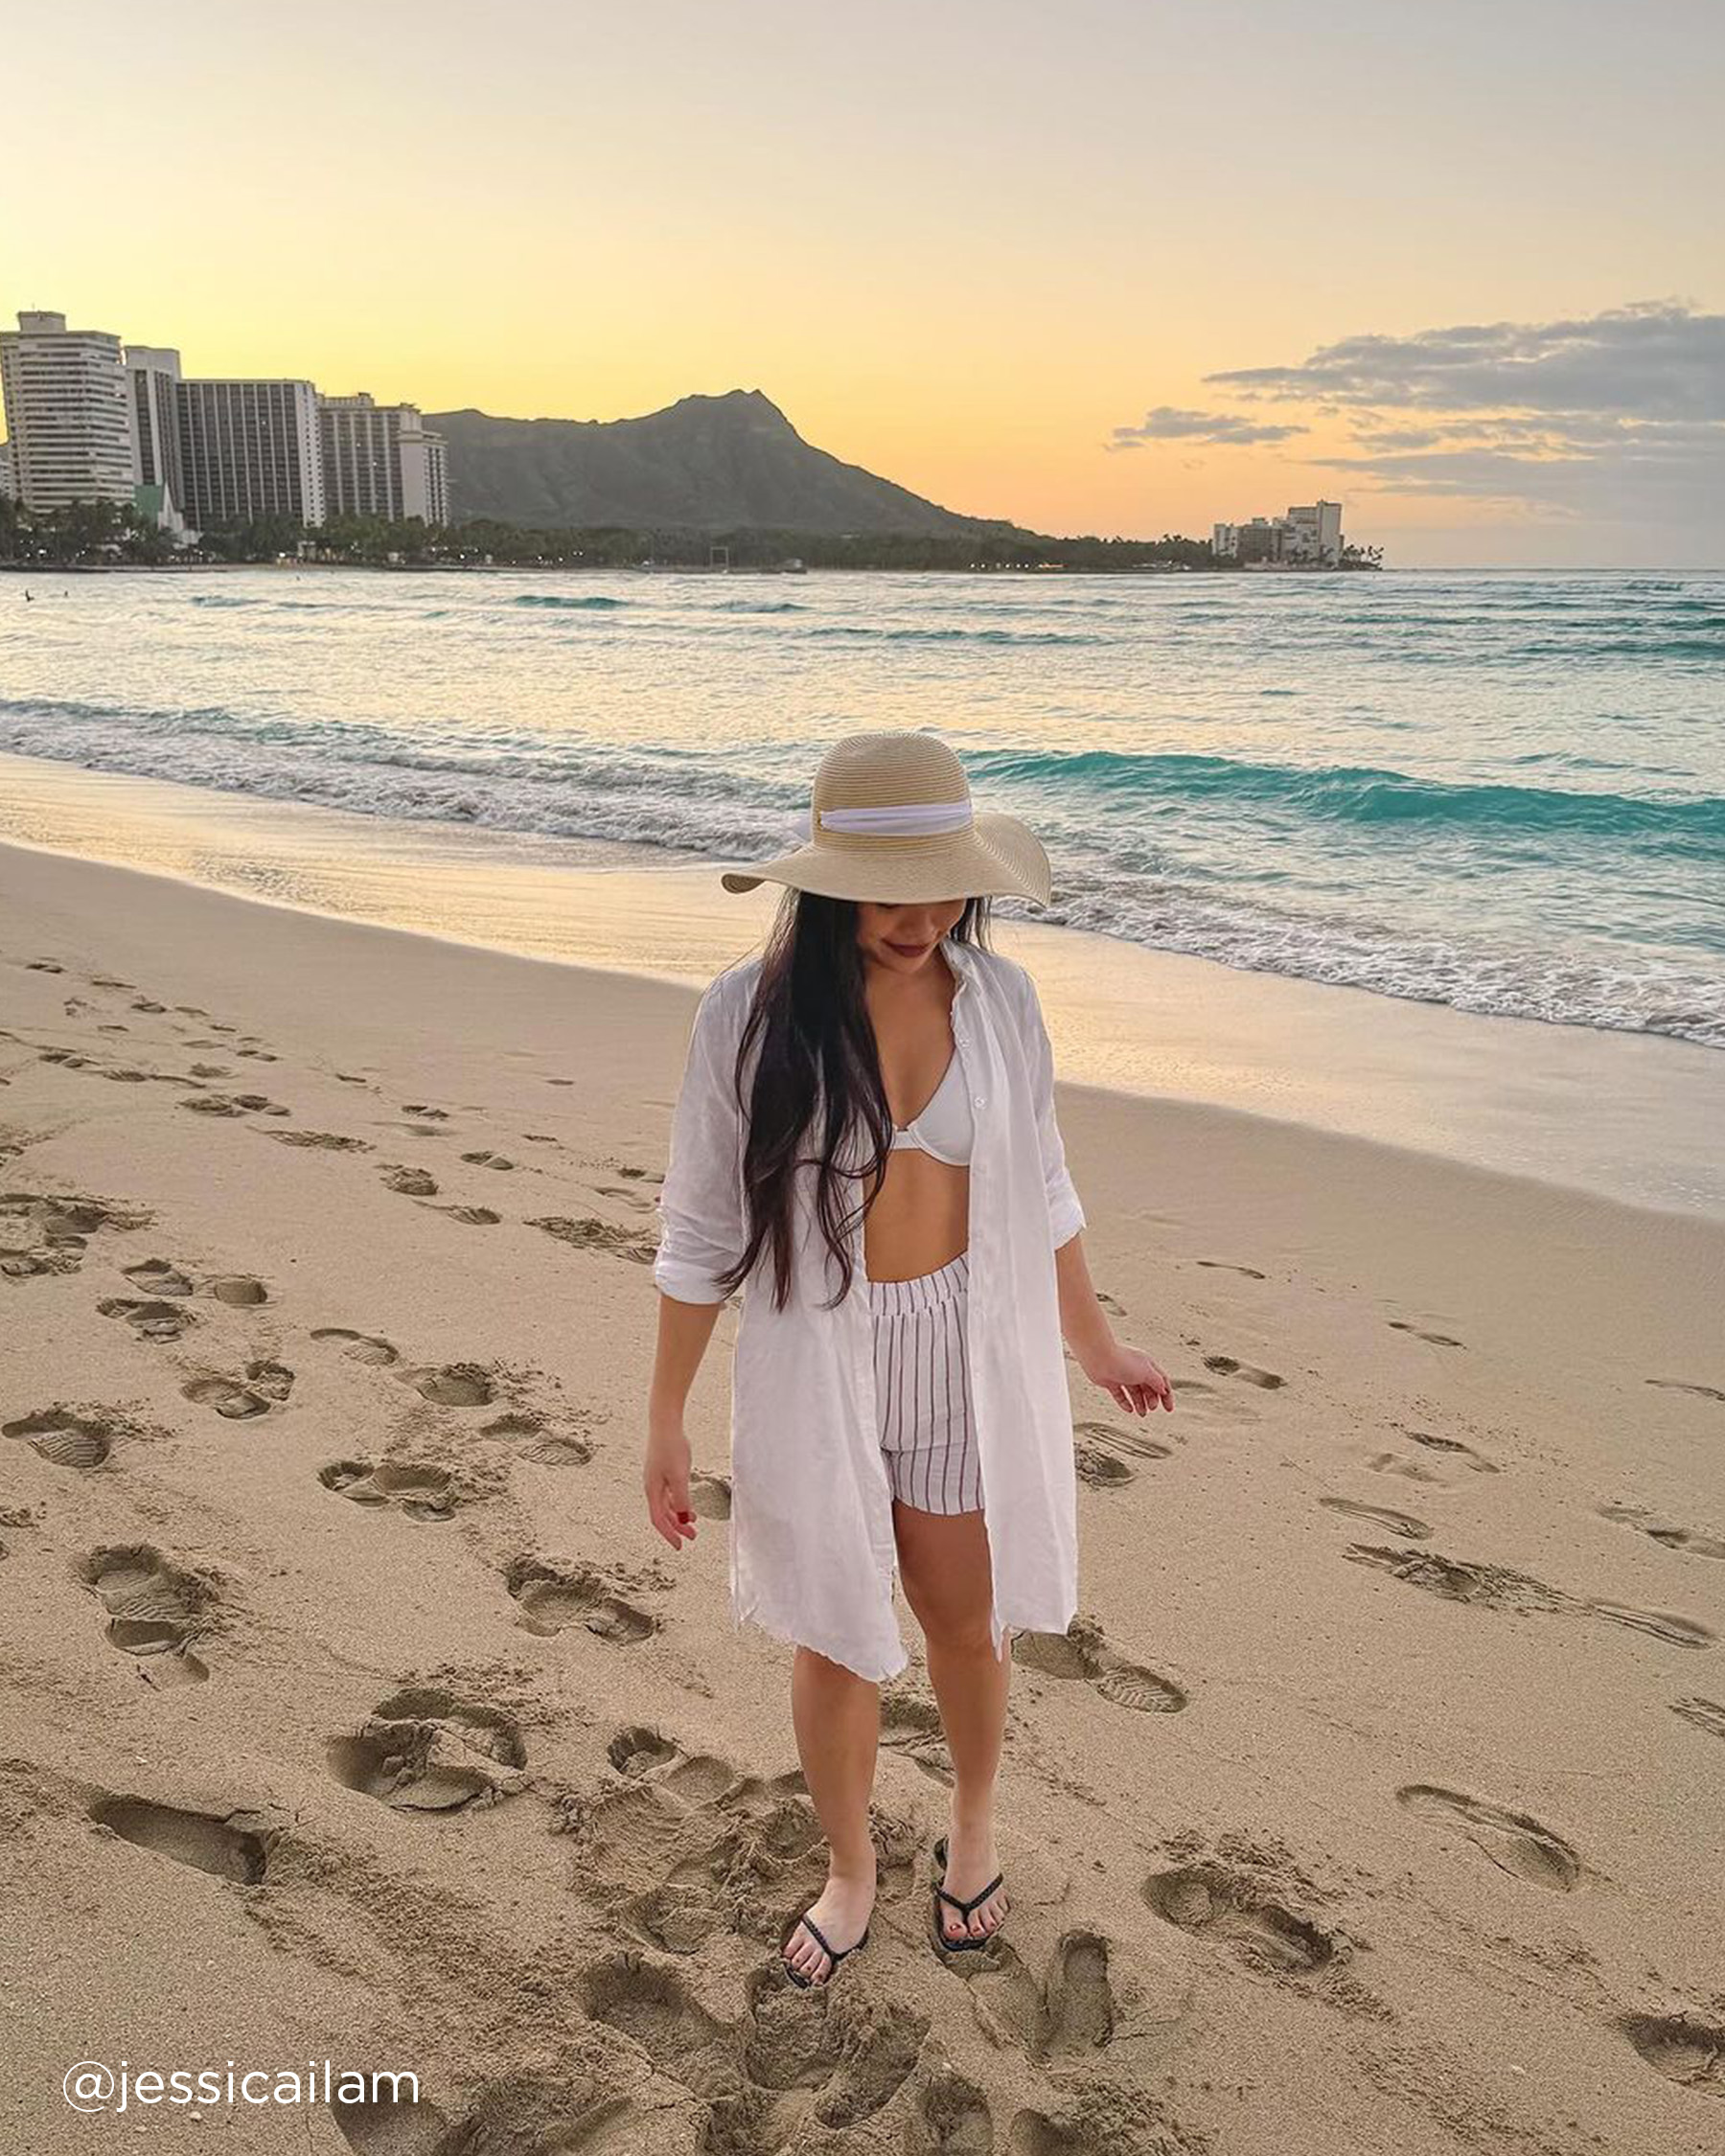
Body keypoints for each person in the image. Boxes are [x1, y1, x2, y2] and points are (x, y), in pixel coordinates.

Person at [644, 728, 1174, 1988]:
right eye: (888, 893)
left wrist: (1094, 1341)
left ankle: (973, 1828)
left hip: (964, 1348)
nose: (921, 918)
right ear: (827, 886)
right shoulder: (747, 1016)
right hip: (818, 1355)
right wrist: (665, 1416)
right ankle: (851, 1868)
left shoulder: (1000, 1002)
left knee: (962, 1616)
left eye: (943, 889)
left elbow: (1043, 1185)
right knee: (834, 1628)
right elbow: (701, 1231)